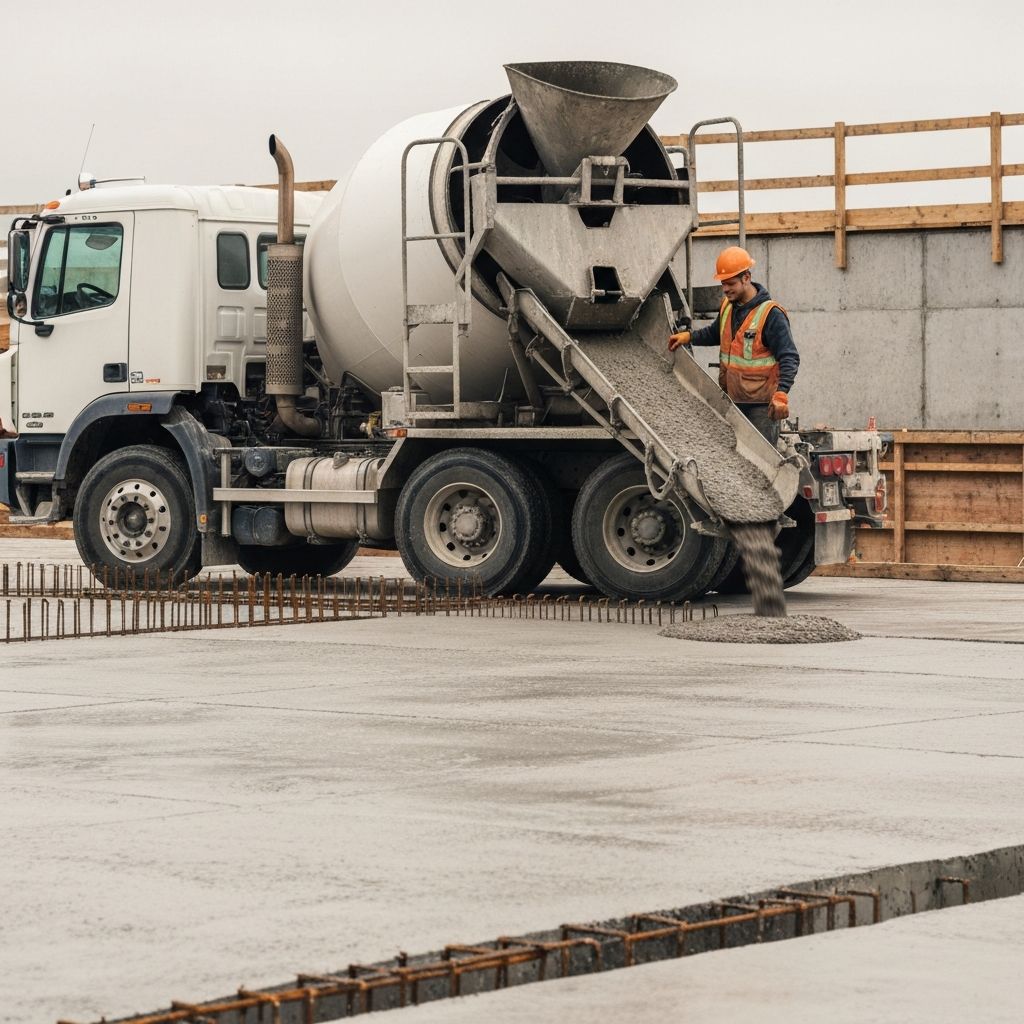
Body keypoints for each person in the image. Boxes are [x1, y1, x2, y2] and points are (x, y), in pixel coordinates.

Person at [668, 245, 799, 445]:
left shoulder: (771, 314)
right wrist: (689, 337)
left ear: (746, 278)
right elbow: (715, 333)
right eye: (723, 284)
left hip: (761, 409)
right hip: (732, 403)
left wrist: (781, 393)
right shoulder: (728, 307)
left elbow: (789, 356)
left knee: (761, 465)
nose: (725, 289)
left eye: (730, 283)